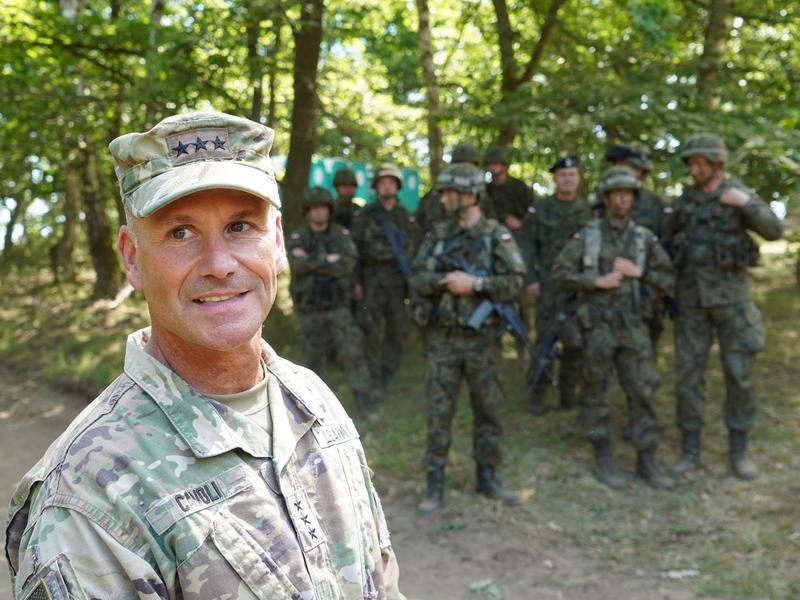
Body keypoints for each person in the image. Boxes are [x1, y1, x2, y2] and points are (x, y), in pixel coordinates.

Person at [5, 112, 405, 599]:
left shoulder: (314, 401)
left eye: (240, 226)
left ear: (276, 241)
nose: (219, 265)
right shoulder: (91, 494)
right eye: (181, 233)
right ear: (132, 257)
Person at [411, 163, 525, 513]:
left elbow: (517, 281)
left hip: (483, 342)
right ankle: (435, 484)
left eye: (450, 192)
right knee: (438, 413)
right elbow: (417, 277)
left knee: (488, 410)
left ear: (470, 195)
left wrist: (475, 284)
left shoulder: (496, 235)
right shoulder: (439, 235)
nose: (443, 198)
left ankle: (487, 476)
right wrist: (446, 281)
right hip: (443, 340)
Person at [551, 166, 675, 489]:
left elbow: (670, 279)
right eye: (617, 193)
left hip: (634, 326)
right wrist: (595, 281)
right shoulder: (588, 236)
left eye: (628, 193)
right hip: (599, 327)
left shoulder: (644, 238)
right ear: (606, 198)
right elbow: (559, 273)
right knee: (597, 391)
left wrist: (639, 273)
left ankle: (647, 459)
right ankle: (603, 456)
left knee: (643, 390)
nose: (623, 198)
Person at [669, 132, 783, 481]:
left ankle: (739, 450)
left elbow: (775, 231)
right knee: (688, 376)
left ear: (715, 163)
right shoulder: (685, 201)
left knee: (739, 375)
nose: (693, 168)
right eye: (690, 162)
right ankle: (690, 449)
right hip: (691, 302)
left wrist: (745, 205)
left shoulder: (738, 193)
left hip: (732, 302)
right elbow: (666, 239)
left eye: (698, 162)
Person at [287, 186, 377, 416]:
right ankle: (312, 410)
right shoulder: (299, 235)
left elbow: (348, 263)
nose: (319, 213)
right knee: (313, 361)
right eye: (314, 209)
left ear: (329, 210)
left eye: (323, 208)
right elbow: (296, 266)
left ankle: (364, 402)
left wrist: (312, 262)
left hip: (338, 306)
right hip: (310, 309)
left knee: (352, 352)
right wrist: (328, 261)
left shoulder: (340, 234)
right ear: (307, 212)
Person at [520, 155, 592, 414]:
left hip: (580, 287)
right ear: (555, 179)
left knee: (577, 342)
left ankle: (567, 394)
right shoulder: (540, 210)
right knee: (545, 342)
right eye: (562, 175)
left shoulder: (589, 211)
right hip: (549, 286)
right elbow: (526, 245)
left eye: (572, 175)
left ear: (578, 178)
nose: (567, 179)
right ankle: (536, 395)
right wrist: (531, 279)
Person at [351, 163, 418, 389]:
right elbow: (355, 253)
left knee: (396, 329)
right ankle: (372, 372)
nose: (387, 186)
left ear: (397, 186)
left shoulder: (406, 217)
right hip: (372, 280)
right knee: (370, 328)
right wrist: (357, 283)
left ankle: (389, 371)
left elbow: (414, 251)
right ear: (376, 186)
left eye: (391, 182)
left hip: (398, 282)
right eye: (383, 182)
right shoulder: (365, 215)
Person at [604, 142, 673, 350]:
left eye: (628, 167)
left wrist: (659, 287)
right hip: (608, 289)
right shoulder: (600, 202)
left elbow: (667, 245)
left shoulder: (656, 205)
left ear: (641, 171)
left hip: (645, 289)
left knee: (646, 347)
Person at [415, 142, 481, 234]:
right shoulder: (433, 197)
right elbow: (418, 227)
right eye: (459, 165)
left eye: (469, 166)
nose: (464, 171)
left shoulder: (481, 196)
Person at [484, 145, 536, 237]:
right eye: (489, 164)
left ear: (504, 166)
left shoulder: (520, 187)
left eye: (495, 163)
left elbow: (533, 210)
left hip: (521, 233)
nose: (491, 167)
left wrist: (521, 223)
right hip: (493, 234)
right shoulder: (486, 189)